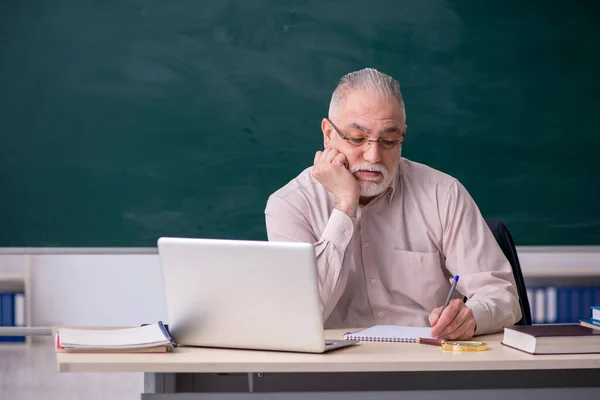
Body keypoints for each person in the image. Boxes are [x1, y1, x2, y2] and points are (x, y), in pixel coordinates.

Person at [264, 68, 521, 340]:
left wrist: (472, 317)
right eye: (357, 138)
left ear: (402, 136)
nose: (373, 155)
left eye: (388, 140)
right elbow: (301, 315)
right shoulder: (289, 205)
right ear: (328, 134)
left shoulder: (443, 194)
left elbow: (502, 295)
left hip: (428, 365)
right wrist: (345, 205)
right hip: (333, 372)